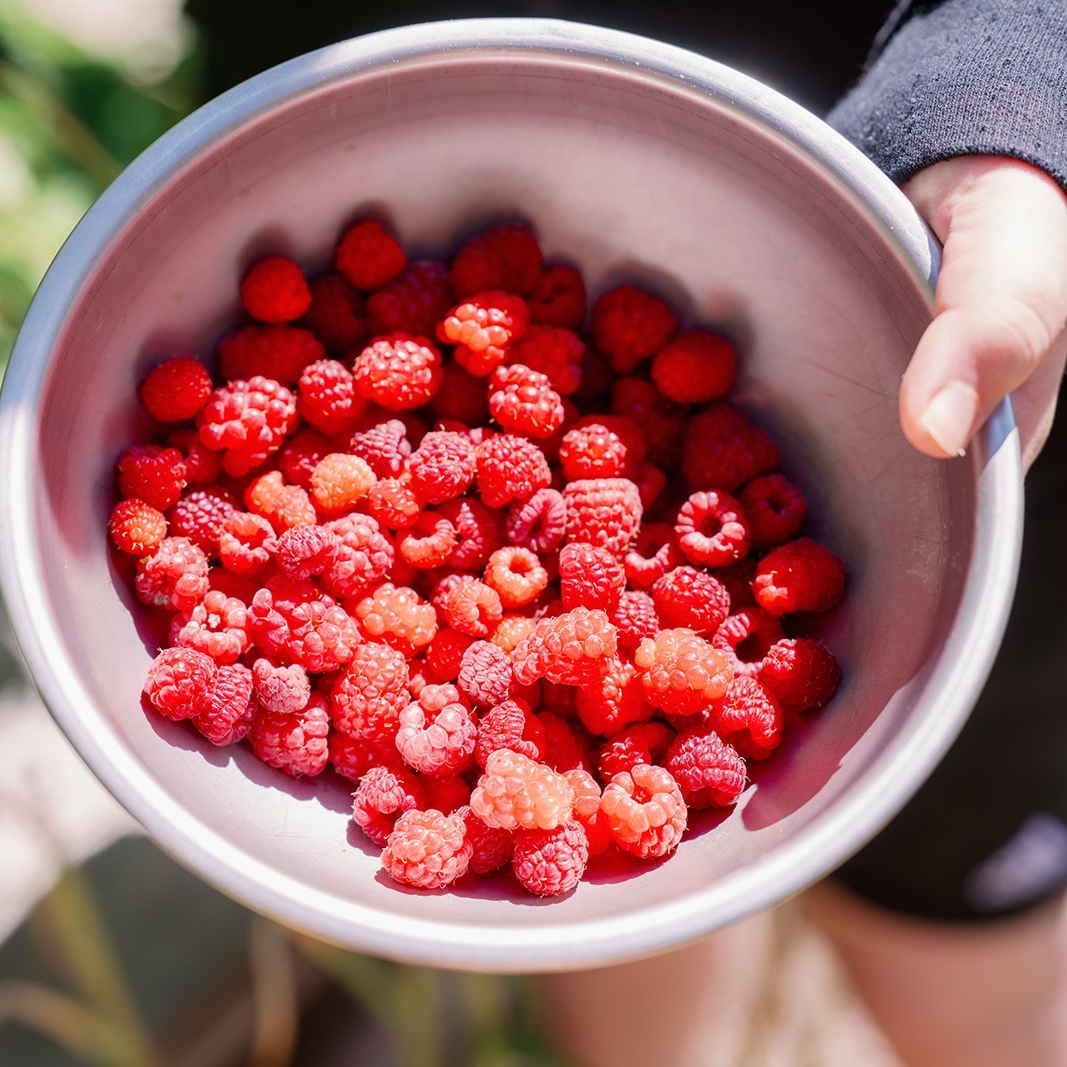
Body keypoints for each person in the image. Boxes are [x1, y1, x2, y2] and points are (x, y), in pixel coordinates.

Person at [184, 2, 1067, 1063]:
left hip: (887, 164)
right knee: (624, 949)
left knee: (967, 942)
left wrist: (1006, 95)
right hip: (348, 66)